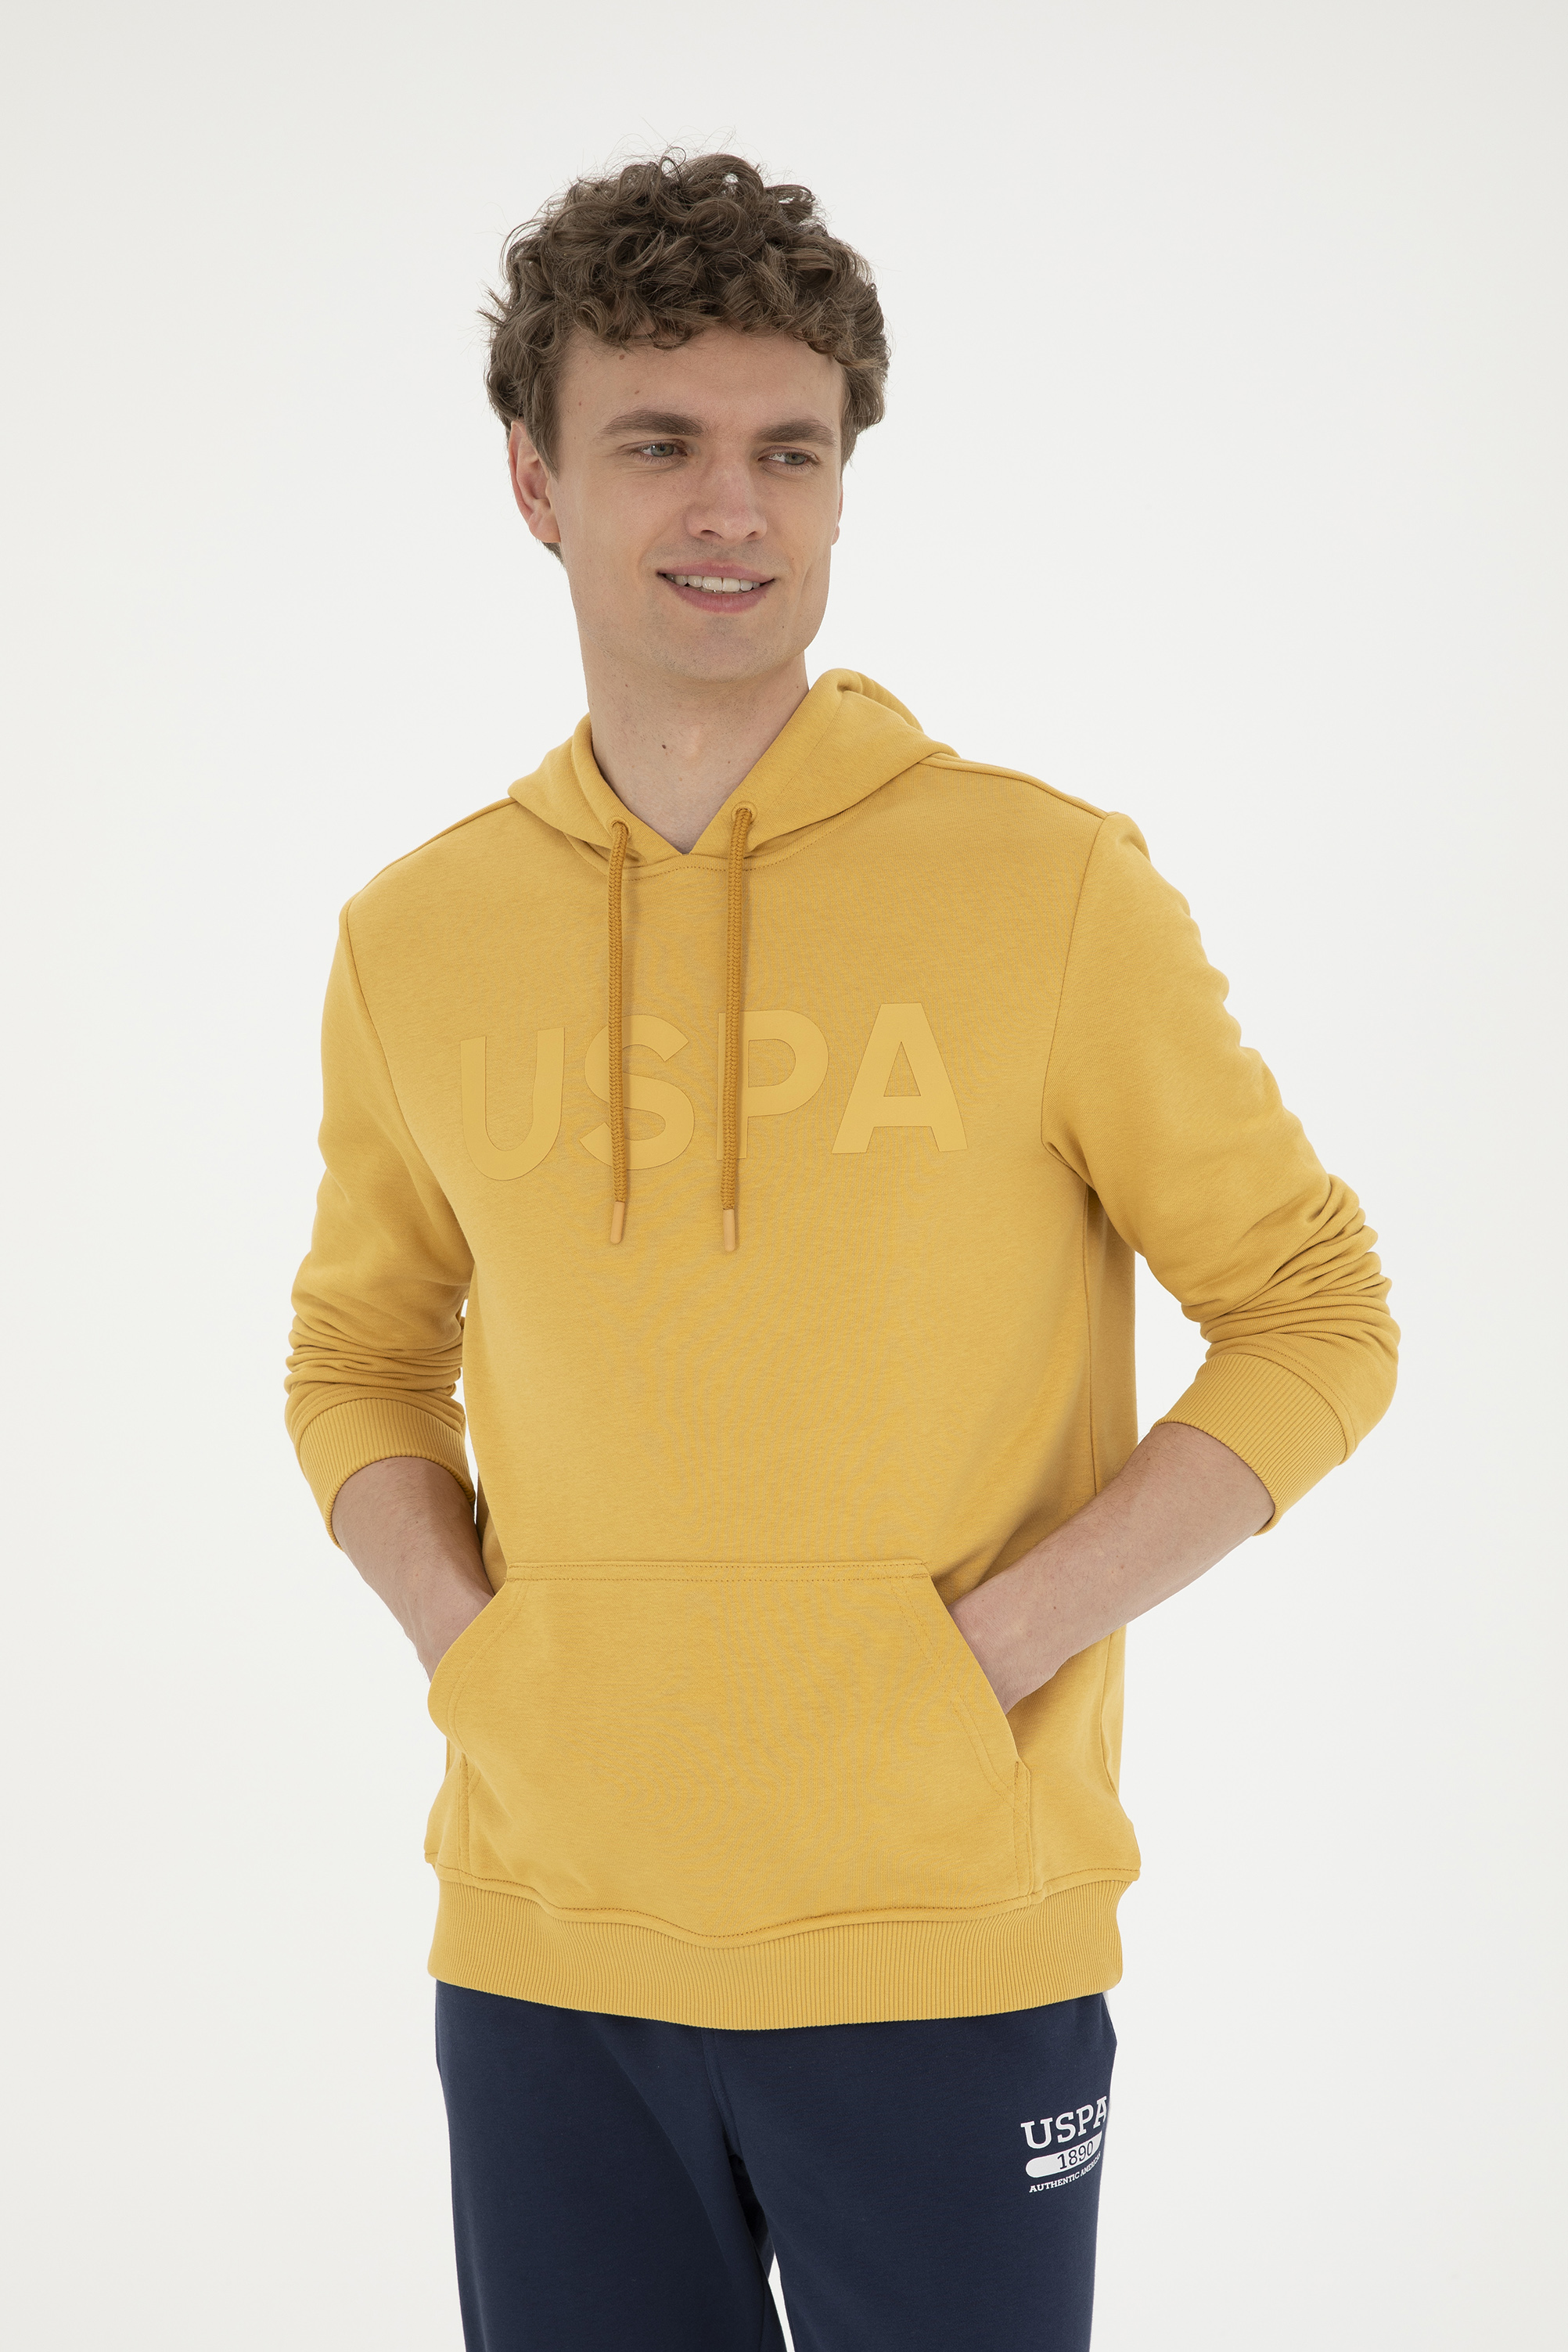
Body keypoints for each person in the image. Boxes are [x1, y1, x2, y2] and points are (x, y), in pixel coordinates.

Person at [284, 151, 1397, 2351]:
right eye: (660, 443)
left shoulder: (1045, 890)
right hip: (546, 1949)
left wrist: (981, 1652)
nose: (734, 508)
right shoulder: (417, 935)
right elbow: (356, 1355)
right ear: (533, 480)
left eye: (789, 451)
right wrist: (478, 1650)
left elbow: (1314, 1314)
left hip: (943, 1942)